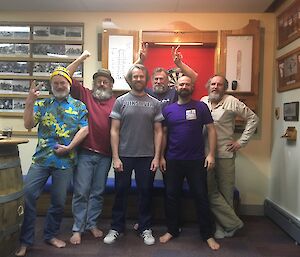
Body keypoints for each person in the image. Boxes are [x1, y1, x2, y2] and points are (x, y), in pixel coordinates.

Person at [16, 67, 89, 257]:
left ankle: (50, 235)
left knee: (57, 201)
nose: (59, 86)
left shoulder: (79, 106)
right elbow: (28, 125)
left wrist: (70, 147)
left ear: (69, 84)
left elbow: (85, 130)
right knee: (28, 195)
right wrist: (29, 103)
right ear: (51, 85)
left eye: (62, 82)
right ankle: (26, 240)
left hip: (65, 160)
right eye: (55, 83)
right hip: (41, 159)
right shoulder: (43, 104)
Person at [103, 64, 163, 246]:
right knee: (121, 192)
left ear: (146, 79)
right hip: (124, 155)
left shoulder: (155, 103)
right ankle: (116, 227)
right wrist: (115, 157)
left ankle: (145, 228)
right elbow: (114, 130)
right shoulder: (120, 101)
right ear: (131, 79)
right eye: (135, 76)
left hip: (147, 156)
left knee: (146, 193)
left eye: (141, 76)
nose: (138, 79)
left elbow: (159, 132)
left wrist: (157, 157)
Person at [159, 75, 220, 250]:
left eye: (187, 84)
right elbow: (162, 134)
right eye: (181, 84)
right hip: (172, 160)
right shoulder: (168, 109)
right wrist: (161, 156)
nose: (184, 86)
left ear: (192, 87)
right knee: (171, 196)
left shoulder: (201, 107)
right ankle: (172, 230)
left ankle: (207, 234)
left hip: (196, 161)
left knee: (201, 196)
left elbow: (211, 130)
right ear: (175, 87)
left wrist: (211, 155)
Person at [65, 50, 116, 245]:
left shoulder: (116, 102)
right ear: (94, 83)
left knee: (97, 192)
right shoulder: (84, 95)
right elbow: (66, 75)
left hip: (105, 156)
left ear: (111, 85)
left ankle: (91, 224)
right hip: (85, 153)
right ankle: (77, 228)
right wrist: (80, 59)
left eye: (106, 81)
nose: (102, 84)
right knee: (81, 192)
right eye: (99, 81)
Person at [201, 74, 259, 238]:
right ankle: (232, 222)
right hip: (205, 154)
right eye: (212, 83)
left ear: (224, 87)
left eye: (219, 84)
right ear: (208, 86)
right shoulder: (203, 101)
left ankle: (225, 227)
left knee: (226, 191)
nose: (215, 87)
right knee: (209, 190)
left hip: (225, 154)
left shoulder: (231, 101)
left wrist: (241, 142)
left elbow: (253, 119)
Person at [136, 43, 198, 109]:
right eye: (156, 79)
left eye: (161, 79)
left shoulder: (174, 92)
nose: (158, 82)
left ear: (167, 81)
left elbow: (193, 77)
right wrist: (140, 61)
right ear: (152, 80)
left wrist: (179, 64)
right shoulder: (145, 92)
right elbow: (127, 77)